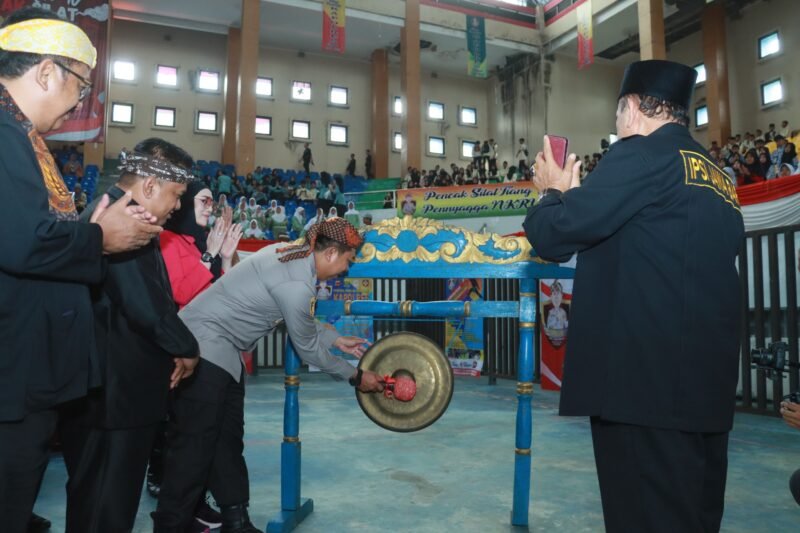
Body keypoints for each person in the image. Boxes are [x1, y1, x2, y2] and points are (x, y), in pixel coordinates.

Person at [523, 60, 744, 532]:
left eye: (617, 113)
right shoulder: (717, 176)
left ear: (633, 109)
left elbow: (554, 235)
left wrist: (552, 193)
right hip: (706, 394)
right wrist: (582, 199)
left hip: (644, 391)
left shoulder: (640, 154)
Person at [0, 9, 164, 532]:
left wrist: (92, 236)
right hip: (16, 367)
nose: (78, 103)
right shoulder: (6, 136)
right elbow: (22, 242)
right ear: (46, 72)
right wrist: (100, 238)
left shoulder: (22, 138)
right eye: (80, 85)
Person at [152, 218, 384, 533]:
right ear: (330, 253)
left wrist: (333, 337)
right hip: (200, 349)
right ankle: (169, 526)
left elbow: (298, 319)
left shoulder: (288, 255)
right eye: (347, 260)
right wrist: (356, 377)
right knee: (192, 449)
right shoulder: (296, 283)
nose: (346, 268)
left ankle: (236, 521)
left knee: (226, 442)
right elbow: (308, 349)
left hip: (223, 354)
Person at [59, 138, 202, 533]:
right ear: (151, 186)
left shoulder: (111, 210)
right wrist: (187, 348)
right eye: (176, 195)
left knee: (93, 500)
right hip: (116, 396)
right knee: (106, 506)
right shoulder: (125, 220)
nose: (177, 206)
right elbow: (146, 305)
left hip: (104, 392)